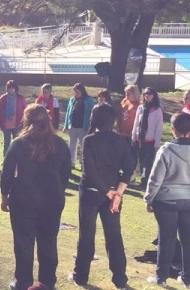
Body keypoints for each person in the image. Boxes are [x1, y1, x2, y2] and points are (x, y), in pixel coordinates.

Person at [1, 104, 72, 290]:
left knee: (24, 243)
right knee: (48, 241)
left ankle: (23, 281)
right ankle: (47, 281)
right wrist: (59, 189)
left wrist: (4, 194)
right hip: (52, 199)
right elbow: (66, 172)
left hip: (24, 200)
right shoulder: (59, 143)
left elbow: (7, 171)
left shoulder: (19, 144)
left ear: (26, 121)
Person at [71, 104, 134, 289]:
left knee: (87, 235)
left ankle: (81, 275)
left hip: (92, 193)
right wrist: (116, 194)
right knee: (114, 235)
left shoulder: (89, 140)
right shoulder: (121, 140)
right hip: (112, 193)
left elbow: (89, 172)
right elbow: (129, 169)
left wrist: (111, 193)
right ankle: (120, 278)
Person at [144, 112, 190, 288]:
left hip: (167, 200)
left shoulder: (166, 150)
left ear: (173, 129)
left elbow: (155, 178)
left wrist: (149, 198)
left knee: (167, 238)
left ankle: (162, 278)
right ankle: (188, 278)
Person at [131, 88, 164, 187]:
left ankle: (145, 181)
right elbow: (136, 123)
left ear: (153, 95)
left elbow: (159, 128)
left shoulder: (157, 110)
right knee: (140, 161)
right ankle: (140, 178)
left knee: (147, 163)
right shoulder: (141, 108)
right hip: (139, 139)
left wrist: (157, 143)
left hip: (150, 141)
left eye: (149, 94)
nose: (146, 96)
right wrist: (133, 136)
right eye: (144, 94)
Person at [63, 83, 95, 166]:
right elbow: (68, 112)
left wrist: (91, 127)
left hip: (83, 127)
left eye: (77, 92)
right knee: (72, 145)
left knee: (83, 146)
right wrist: (66, 125)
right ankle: (71, 162)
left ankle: (83, 164)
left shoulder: (89, 101)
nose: (75, 94)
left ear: (82, 91)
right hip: (72, 126)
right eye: (74, 92)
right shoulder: (72, 100)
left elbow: (92, 115)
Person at [0, 80, 27, 156]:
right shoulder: (3, 98)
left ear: (16, 89)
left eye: (13, 88)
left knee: (18, 143)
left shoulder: (20, 98)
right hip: (5, 125)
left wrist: (26, 122)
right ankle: (5, 158)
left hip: (17, 125)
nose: (11, 90)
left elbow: (26, 110)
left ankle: (17, 159)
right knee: (6, 143)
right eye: (9, 88)